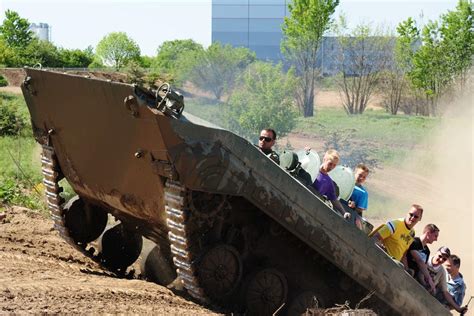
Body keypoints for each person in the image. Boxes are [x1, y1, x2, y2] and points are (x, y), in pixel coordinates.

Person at [424, 247, 468, 314]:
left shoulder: (460, 286)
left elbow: (456, 303)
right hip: (428, 299)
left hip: (439, 309)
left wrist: (456, 308)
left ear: (457, 266)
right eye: (446, 265)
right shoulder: (443, 273)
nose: (446, 268)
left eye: (449, 266)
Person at [312, 149, 350, 219]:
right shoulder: (312, 167)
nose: (331, 167)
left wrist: (344, 212)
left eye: (334, 165)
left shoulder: (328, 182)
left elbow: (334, 199)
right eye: (330, 164)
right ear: (324, 159)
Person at [406, 224, 440, 293]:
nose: (436, 239)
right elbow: (419, 261)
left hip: (412, 280)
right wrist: (429, 278)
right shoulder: (414, 242)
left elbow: (421, 271)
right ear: (428, 233)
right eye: (435, 236)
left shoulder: (427, 251)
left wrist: (424, 285)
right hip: (405, 273)